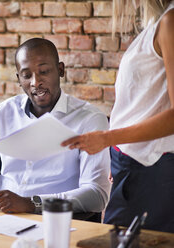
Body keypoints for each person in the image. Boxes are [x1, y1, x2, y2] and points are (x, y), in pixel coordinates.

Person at [0, 38, 111, 214]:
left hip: (55, 222)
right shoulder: (4, 114)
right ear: (18, 79)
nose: (35, 82)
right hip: (1, 219)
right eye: (26, 75)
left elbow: (97, 195)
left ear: (60, 70)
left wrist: (32, 204)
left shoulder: (89, 120)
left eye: (43, 71)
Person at [62, 0, 174, 233]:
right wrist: (118, 152)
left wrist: (107, 138)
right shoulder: (158, 23)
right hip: (134, 166)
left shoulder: (169, 23)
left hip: (151, 171)